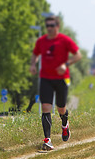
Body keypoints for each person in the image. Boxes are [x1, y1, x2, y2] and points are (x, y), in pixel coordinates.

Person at [30, 16, 82, 150]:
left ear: (57, 26)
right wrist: (33, 64)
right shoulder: (42, 41)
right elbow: (35, 54)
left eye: (52, 25)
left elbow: (78, 55)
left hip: (61, 78)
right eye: (47, 25)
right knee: (46, 107)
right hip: (46, 78)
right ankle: (47, 140)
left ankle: (65, 124)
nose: (49, 28)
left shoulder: (64, 40)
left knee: (61, 108)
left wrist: (66, 64)